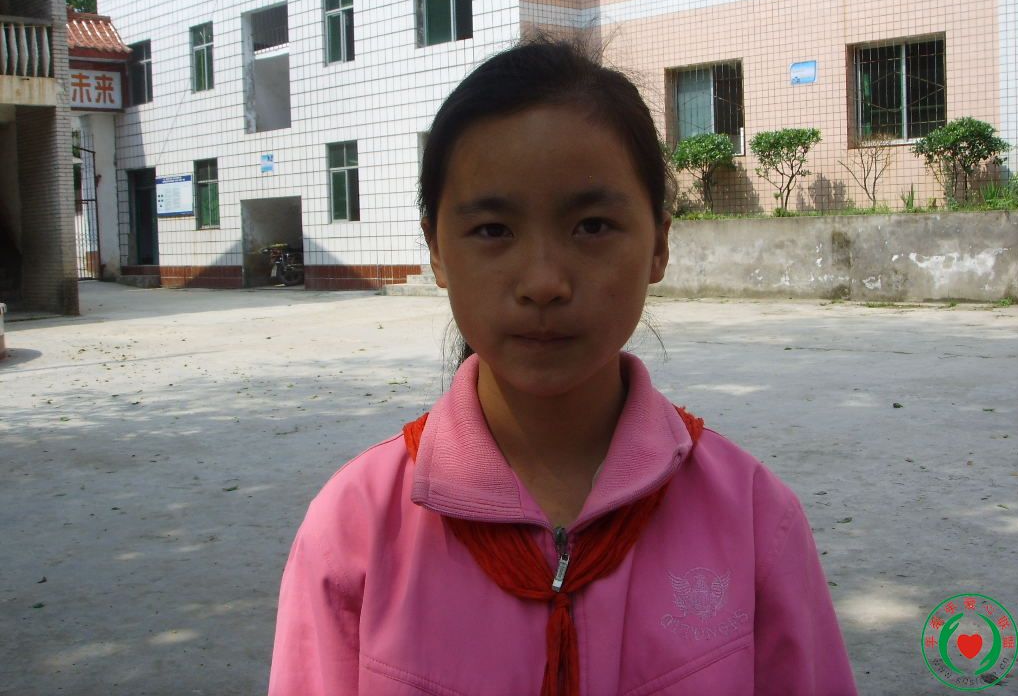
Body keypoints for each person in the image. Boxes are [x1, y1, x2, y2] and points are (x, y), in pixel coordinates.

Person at [268, 37, 858, 696]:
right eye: (493, 230)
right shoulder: (354, 528)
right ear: (436, 251)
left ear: (659, 244)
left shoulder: (753, 518)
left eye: (592, 226)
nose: (544, 282)